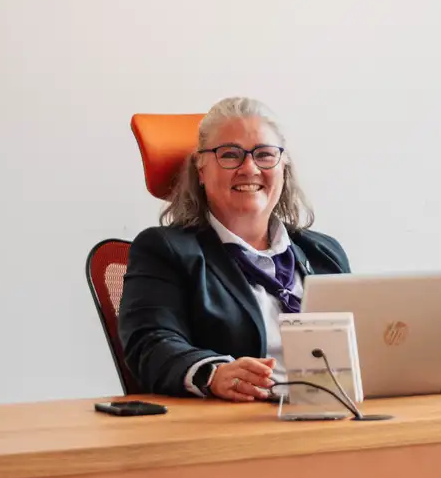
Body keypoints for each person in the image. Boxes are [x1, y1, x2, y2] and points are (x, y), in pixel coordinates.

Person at [118, 98, 351, 401]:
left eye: (264, 155)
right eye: (230, 154)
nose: (249, 168)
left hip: (335, 410)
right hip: (242, 417)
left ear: (283, 167)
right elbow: (150, 343)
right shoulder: (165, 250)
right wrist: (213, 373)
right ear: (201, 169)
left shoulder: (324, 252)